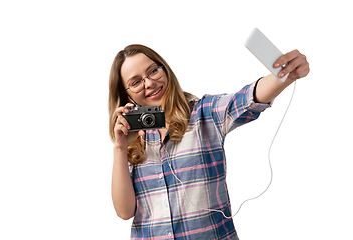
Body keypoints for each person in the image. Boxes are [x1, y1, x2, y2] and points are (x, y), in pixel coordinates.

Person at [109, 44, 309, 239]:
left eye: (153, 71)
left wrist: (284, 76)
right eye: (135, 82)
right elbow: (125, 212)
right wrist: (120, 147)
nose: (149, 83)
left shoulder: (204, 113)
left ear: (165, 70)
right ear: (126, 94)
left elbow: (246, 98)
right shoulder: (133, 138)